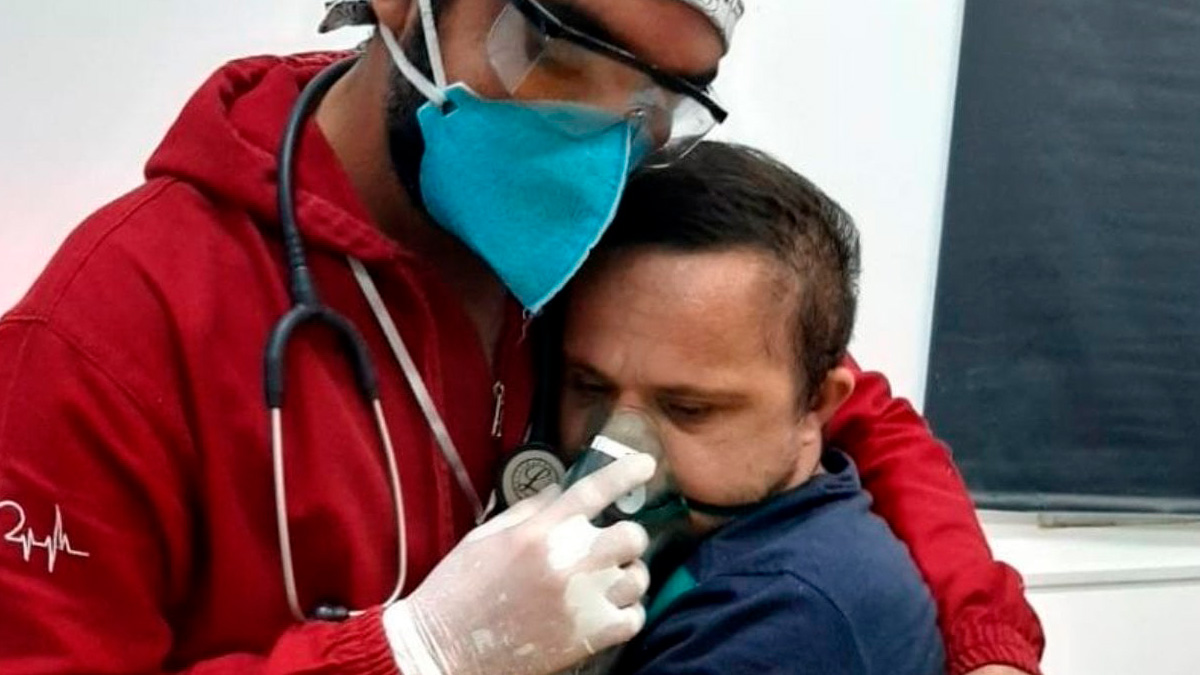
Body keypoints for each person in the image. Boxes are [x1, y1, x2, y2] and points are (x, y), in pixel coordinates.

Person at [0, 0, 1041, 673]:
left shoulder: (584, 233)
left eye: (658, 98)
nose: (598, 133)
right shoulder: (104, 333)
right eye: (561, 50)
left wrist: (986, 640)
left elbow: (851, 406)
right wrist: (413, 654)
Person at [558, 141, 943, 674]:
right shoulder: (734, 548)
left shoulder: (785, 619)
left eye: (689, 409)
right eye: (588, 386)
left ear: (815, 405)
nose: (619, 454)